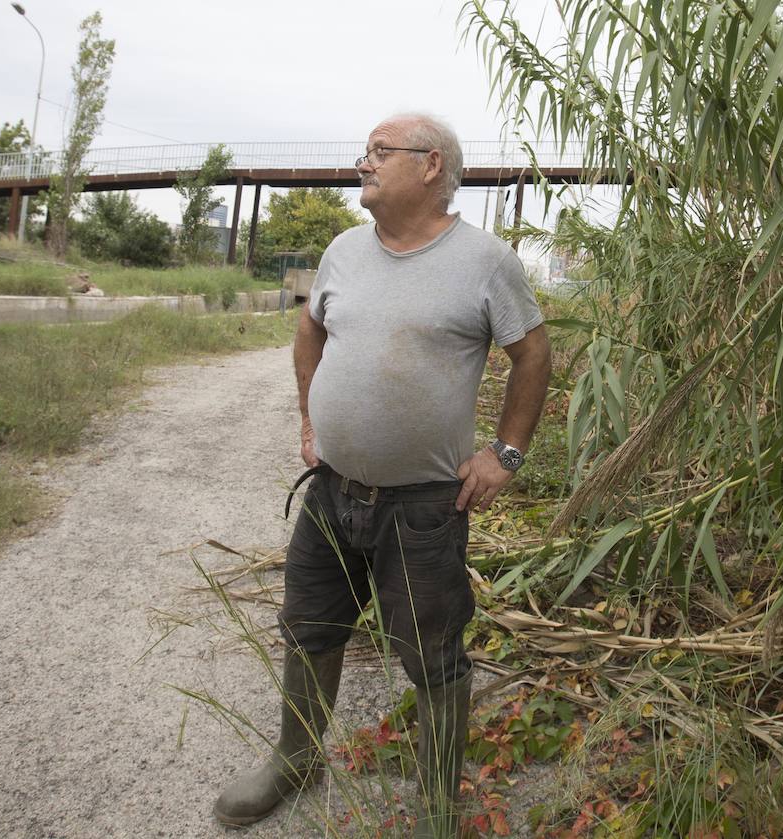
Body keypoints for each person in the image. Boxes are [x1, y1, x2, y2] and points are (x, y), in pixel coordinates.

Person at [213, 112, 552, 837]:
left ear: (431, 166)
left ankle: (436, 803)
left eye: (378, 151)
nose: (363, 162)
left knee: (432, 655)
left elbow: (533, 353)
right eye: (366, 151)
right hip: (332, 493)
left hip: (425, 506)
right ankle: (297, 756)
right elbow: (311, 328)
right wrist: (312, 420)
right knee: (309, 626)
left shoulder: (485, 260)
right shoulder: (343, 250)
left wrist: (506, 454)